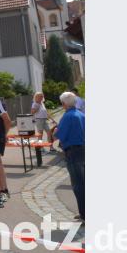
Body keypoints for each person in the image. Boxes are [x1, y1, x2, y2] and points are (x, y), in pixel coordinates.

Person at [54, 92, 85, 222]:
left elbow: (59, 135)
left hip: (73, 151)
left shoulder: (67, 116)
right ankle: (83, 212)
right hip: (83, 150)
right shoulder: (81, 114)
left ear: (64, 104)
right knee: (83, 182)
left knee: (78, 184)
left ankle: (85, 215)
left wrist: (55, 131)